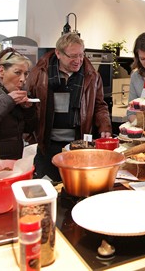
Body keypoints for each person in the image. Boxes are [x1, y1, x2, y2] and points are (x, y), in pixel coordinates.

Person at [26, 33, 112, 181]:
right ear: (58, 53)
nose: (78, 60)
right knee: (49, 185)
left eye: (81, 55)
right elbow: (28, 107)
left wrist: (104, 125)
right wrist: (31, 139)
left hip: (78, 145)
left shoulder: (92, 76)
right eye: (72, 56)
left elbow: (99, 105)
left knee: (75, 185)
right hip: (46, 146)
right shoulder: (38, 74)